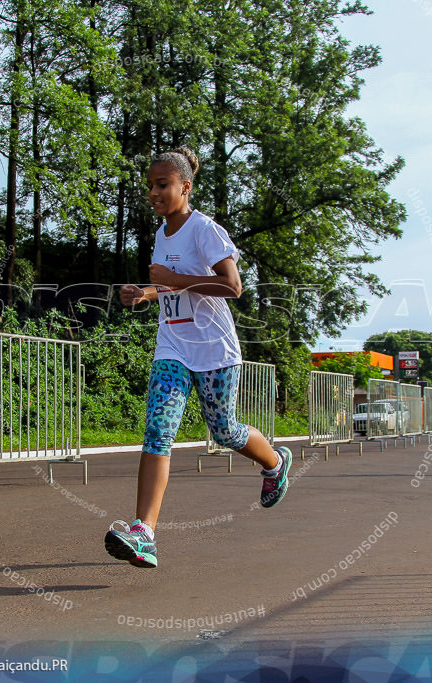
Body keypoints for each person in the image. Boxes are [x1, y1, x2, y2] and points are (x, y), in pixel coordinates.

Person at [103, 147, 292, 569]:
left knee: (224, 431)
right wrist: (145, 293)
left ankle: (275, 462)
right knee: (158, 430)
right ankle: (144, 533)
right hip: (172, 345)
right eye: (150, 185)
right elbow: (172, 288)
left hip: (214, 349)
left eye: (162, 185)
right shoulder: (161, 234)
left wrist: (171, 279)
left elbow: (232, 286)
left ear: (185, 187)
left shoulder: (205, 229)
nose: (153, 192)